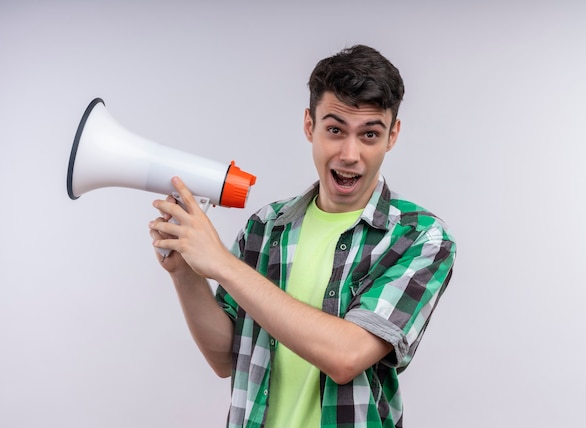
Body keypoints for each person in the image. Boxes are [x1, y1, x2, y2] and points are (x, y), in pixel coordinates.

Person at [148, 45, 456, 428]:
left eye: (370, 135)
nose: (349, 154)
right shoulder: (266, 226)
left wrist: (223, 265)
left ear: (392, 135)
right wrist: (186, 273)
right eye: (334, 130)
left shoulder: (419, 238)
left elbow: (346, 356)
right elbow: (226, 358)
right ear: (309, 125)